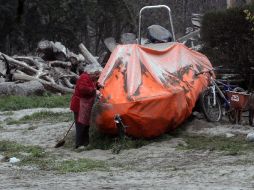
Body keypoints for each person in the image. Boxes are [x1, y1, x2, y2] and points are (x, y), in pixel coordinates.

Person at [70, 69, 99, 148]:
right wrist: (94, 90)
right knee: (80, 125)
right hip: (79, 105)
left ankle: (85, 143)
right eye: (96, 74)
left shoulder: (89, 78)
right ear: (91, 73)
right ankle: (79, 144)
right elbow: (84, 89)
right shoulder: (84, 78)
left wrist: (98, 86)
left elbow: (92, 84)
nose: (97, 76)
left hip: (84, 105)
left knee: (86, 124)